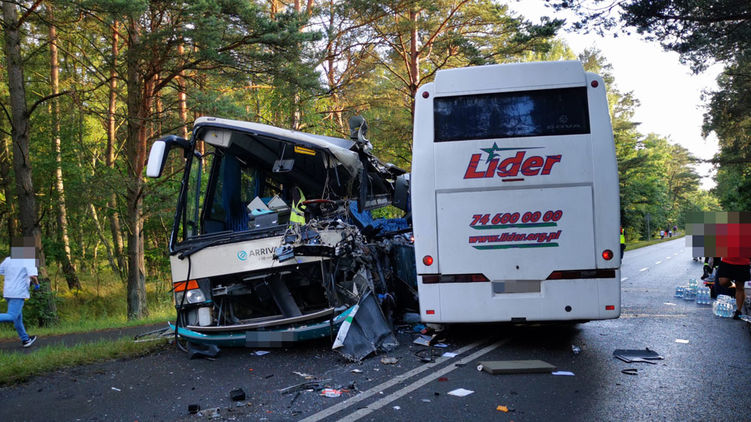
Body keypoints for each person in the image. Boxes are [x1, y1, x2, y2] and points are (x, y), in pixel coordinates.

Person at [0, 239, 39, 347]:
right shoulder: (28, 260)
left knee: (18, 318)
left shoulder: (8, 259)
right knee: (12, 316)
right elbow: (33, 276)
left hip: (8, 292)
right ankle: (25, 339)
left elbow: (1, 271)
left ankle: (25, 339)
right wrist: (36, 285)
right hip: (18, 293)